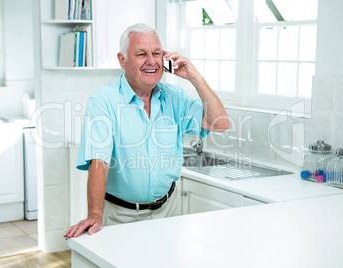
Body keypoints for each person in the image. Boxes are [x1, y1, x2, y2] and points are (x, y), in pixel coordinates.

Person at [64, 23, 229, 239]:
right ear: (122, 60)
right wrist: (95, 213)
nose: (151, 61)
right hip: (120, 215)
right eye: (141, 54)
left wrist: (194, 77)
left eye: (157, 53)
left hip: (169, 210)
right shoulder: (103, 100)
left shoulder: (176, 97)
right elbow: (99, 161)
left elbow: (219, 123)